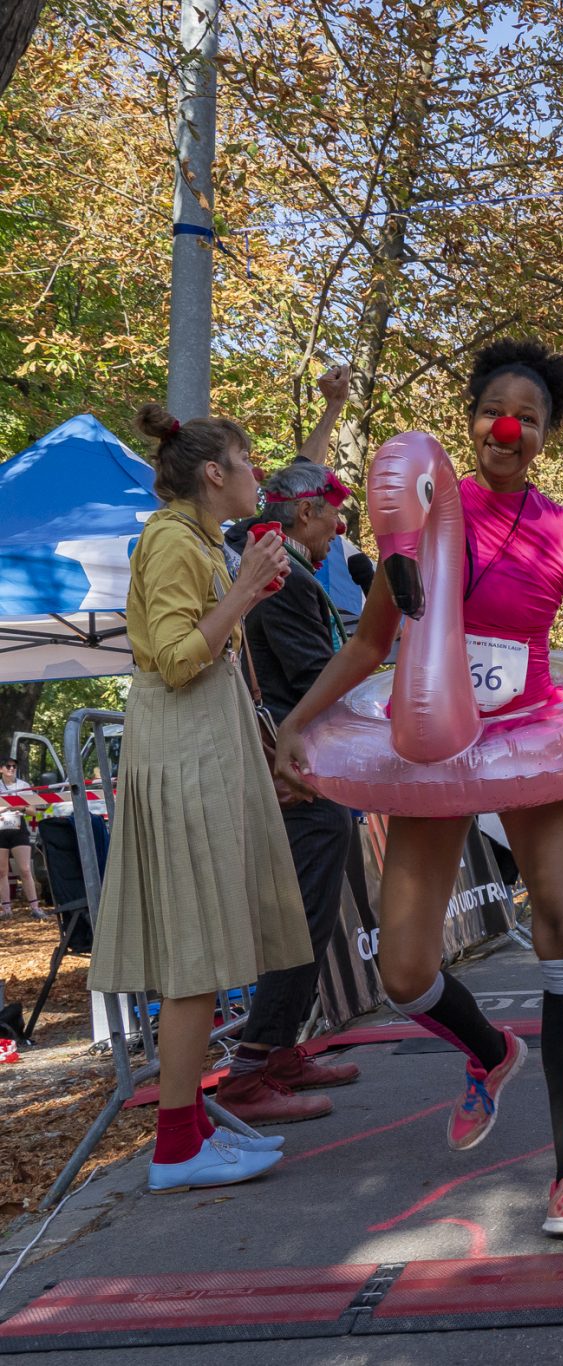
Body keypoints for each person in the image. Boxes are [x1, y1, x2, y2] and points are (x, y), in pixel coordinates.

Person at [275, 340, 563, 1241]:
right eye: (492, 410)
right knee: (404, 972)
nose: (507, 428)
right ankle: (490, 1050)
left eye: (528, 416)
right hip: (433, 748)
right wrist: (296, 724)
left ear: (547, 438)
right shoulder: (424, 517)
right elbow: (367, 648)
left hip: (528, 742)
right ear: (472, 418)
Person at [90, 403, 308, 1193]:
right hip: (183, 758)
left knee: (204, 957)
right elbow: (178, 660)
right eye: (249, 463)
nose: (259, 477)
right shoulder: (173, 543)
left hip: (204, 754)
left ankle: (184, 1135)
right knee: (192, 959)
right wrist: (246, 591)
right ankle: (176, 1148)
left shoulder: (197, 542)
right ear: (214, 474)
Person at [216, 373, 370, 1125]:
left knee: (309, 907)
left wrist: (335, 409)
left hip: (300, 759)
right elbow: (312, 677)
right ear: (306, 515)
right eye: (334, 517)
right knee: (300, 912)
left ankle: (279, 1051)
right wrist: (380, 673)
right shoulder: (277, 569)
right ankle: (251, 1066)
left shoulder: (287, 556)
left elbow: (294, 479)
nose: (341, 531)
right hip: (292, 767)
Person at [0, 758, 47, 919]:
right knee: (2, 871)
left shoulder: (23, 786)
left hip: (19, 829)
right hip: (1, 830)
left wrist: (20, 807)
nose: (12, 768)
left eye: (14, 766)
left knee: (25, 869)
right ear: (1, 769)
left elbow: (35, 812)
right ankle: (6, 910)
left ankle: (35, 908)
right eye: (8, 766)